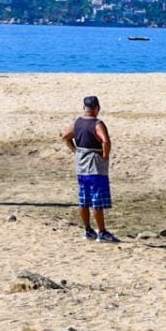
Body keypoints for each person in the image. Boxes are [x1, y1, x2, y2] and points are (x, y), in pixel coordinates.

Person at [64, 95, 118, 242]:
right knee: (97, 201)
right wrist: (105, 155)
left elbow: (65, 137)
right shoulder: (97, 124)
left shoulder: (77, 123)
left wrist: (75, 151)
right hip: (95, 167)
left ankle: (88, 230)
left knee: (84, 200)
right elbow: (105, 141)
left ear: (84, 108)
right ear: (97, 108)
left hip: (81, 167)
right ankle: (102, 232)